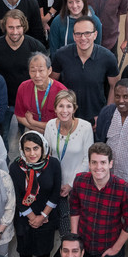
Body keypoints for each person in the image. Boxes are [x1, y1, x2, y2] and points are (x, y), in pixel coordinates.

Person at [44, 89, 95, 237]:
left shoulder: (85, 128)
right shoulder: (50, 125)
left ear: (74, 108)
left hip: (77, 184)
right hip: (55, 183)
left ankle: (69, 250)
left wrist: (71, 184)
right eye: (60, 106)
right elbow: (47, 154)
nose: (64, 110)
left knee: (70, 226)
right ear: (55, 108)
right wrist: (54, 182)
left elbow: (88, 159)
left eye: (68, 106)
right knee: (55, 221)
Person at [10, 132, 61, 257]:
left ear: (43, 147)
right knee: (24, 248)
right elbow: (17, 197)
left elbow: (55, 193)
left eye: (36, 148)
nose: (32, 153)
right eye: (27, 149)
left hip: (47, 215)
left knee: (45, 249)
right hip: (24, 216)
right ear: (22, 150)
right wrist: (33, 217)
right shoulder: (15, 167)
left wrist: (43, 216)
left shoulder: (53, 164)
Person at [50, 15, 119, 123]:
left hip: (96, 119)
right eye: (78, 34)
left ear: (95, 34)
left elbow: (114, 86)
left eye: (87, 33)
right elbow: (52, 83)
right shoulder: (61, 55)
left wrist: (105, 115)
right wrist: (59, 112)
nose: (83, 38)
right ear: (73, 36)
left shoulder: (108, 57)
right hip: (67, 117)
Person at [0, 11, 47, 127]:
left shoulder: (36, 47)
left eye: (18, 27)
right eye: (11, 27)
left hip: (30, 103)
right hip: (3, 102)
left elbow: (44, 76)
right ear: (4, 27)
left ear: (24, 27)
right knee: (3, 138)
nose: (14, 32)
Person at [93, 79, 128, 185]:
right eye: (117, 96)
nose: (121, 101)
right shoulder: (106, 113)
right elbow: (99, 141)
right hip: (106, 176)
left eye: (126, 97)